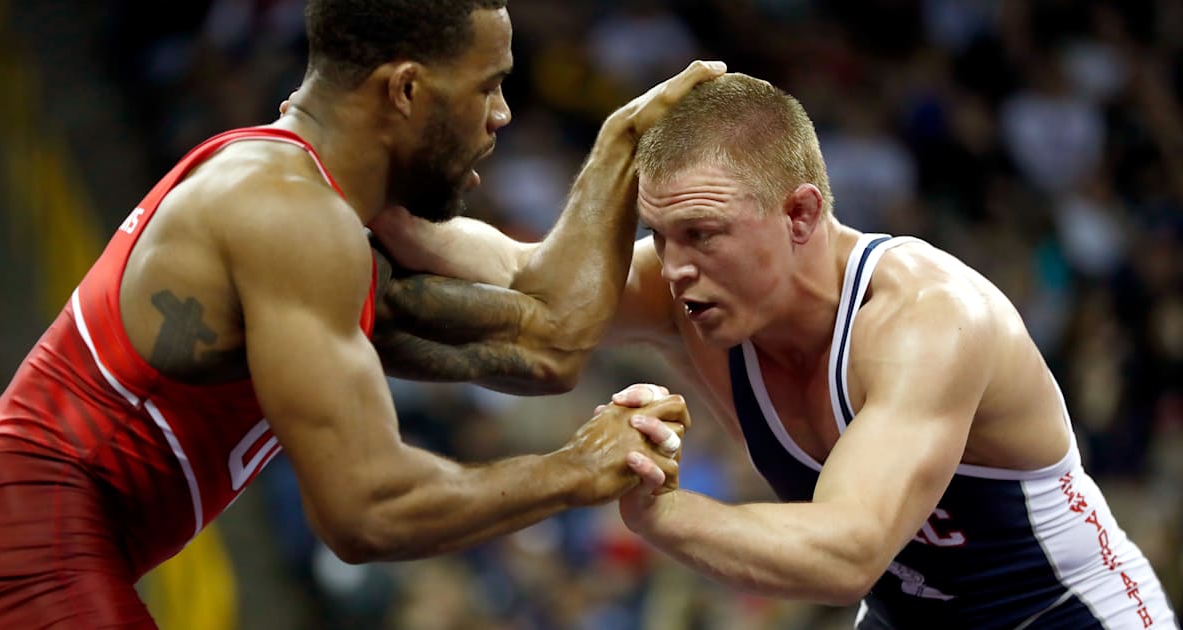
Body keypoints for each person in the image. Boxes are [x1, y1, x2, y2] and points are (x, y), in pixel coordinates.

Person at [0, 0, 724, 625]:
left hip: (52, 536)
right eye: (489, 85)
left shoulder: (346, 209)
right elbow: (368, 513)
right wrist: (575, 470)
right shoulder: (282, 212)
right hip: (19, 534)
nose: (501, 114)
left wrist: (621, 145)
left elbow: (550, 341)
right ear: (405, 90)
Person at [368, 73, 1179, 629]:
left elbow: (847, 553)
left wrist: (656, 505)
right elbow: (525, 273)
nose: (675, 266)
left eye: (703, 234)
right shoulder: (693, 289)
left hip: (1066, 615)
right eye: (660, 235)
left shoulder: (928, 320)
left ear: (799, 214)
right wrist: (359, 193)